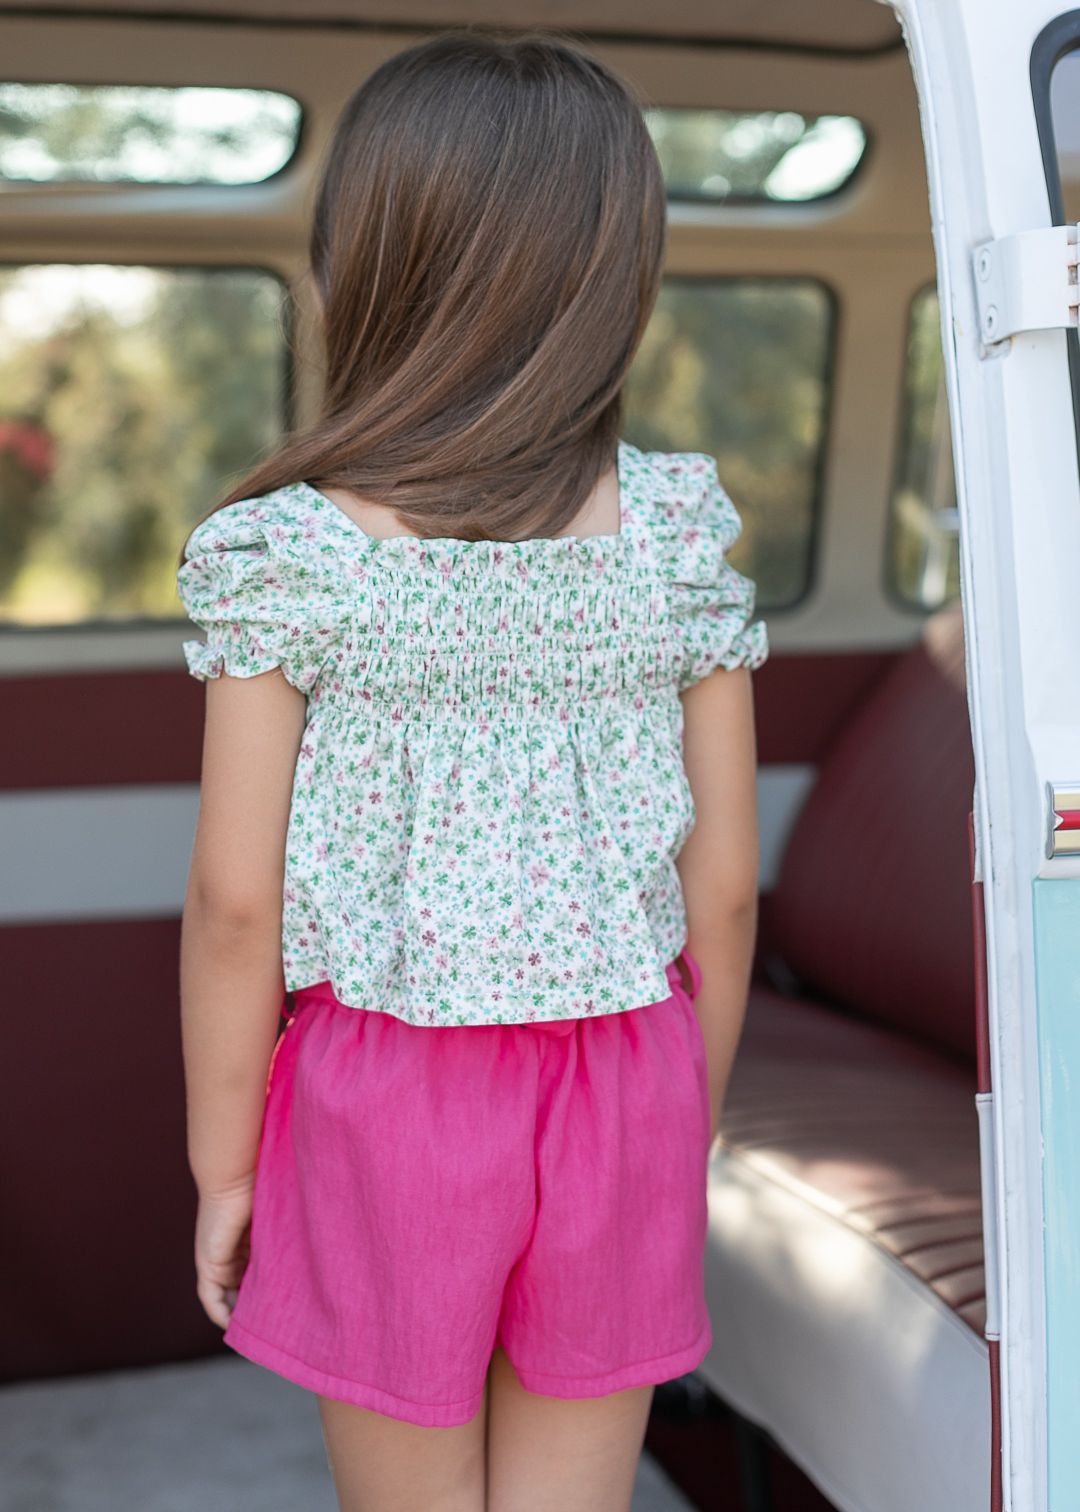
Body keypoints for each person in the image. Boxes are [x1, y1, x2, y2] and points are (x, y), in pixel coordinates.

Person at [175, 28, 767, 1512]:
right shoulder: (676, 536)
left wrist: (224, 1169)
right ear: (615, 279)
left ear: (359, 267)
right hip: (627, 1077)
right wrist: (682, 1118)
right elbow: (729, 885)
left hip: (393, 1099)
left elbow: (235, 905)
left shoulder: (291, 559)